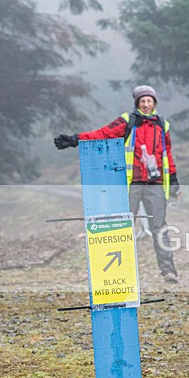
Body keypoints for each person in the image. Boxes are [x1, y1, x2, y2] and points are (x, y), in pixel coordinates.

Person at [54, 85, 181, 283]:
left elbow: (167, 155)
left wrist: (173, 180)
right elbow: (103, 134)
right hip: (130, 183)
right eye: (142, 101)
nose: (146, 104)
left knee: (159, 227)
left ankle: (168, 271)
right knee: (123, 227)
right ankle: (122, 273)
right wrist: (75, 139)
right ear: (137, 103)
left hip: (155, 183)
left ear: (154, 103)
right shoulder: (128, 121)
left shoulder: (162, 125)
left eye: (150, 101)